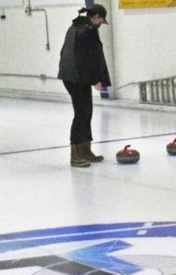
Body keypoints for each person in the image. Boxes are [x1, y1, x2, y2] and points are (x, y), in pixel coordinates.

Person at [57, 5, 110, 168]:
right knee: (81, 114)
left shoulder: (75, 27)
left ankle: (85, 150)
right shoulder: (86, 31)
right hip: (77, 77)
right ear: (95, 16)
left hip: (74, 76)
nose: (101, 22)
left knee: (85, 113)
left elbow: (63, 52)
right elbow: (87, 58)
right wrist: (95, 80)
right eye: (101, 19)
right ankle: (76, 154)